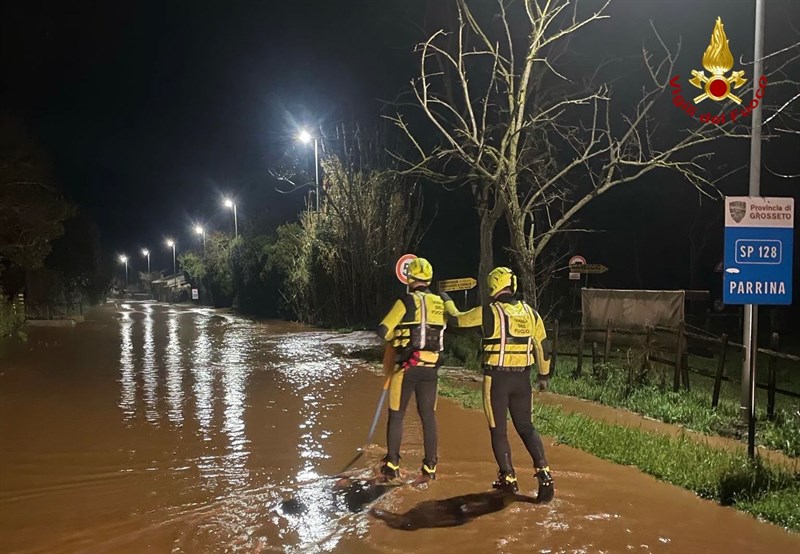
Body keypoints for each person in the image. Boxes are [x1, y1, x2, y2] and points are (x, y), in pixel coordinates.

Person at [444, 266, 554, 502]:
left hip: (497, 380)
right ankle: (544, 473)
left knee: (499, 430)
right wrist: (544, 376)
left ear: (492, 286)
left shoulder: (488, 312)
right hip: (523, 380)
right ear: (512, 285)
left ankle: (508, 478)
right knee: (527, 427)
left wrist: (446, 300)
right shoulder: (531, 314)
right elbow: (543, 346)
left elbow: (457, 320)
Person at [376, 257, 447, 482]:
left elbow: (383, 330)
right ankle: (430, 467)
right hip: (431, 369)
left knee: (396, 416)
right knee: (428, 416)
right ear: (429, 279)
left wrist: (396, 338)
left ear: (410, 278)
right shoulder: (440, 303)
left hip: (406, 368)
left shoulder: (405, 301)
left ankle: (392, 465)